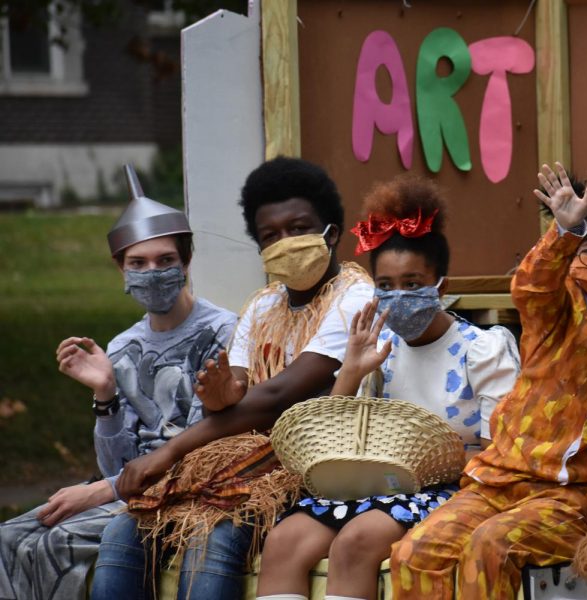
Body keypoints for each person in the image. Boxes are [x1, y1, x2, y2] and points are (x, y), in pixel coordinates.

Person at [390, 162, 587, 599]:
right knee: (414, 554)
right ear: (573, 262)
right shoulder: (555, 309)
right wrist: (565, 233)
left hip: (574, 497)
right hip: (500, 482)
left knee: (491, 547)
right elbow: (531, 284)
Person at [91, 157, 373, 600]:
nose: (285, 242)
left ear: (331, 234)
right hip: (240, 460)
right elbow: (238, 395)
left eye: (298, 228)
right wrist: (222, 396)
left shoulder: (355, 297)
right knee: (125, 530)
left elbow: (275, 396)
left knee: (214, 535)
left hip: (306, 467)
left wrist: (169, 452)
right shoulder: (262, 306)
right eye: (270, 236)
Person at [254, 175, 521, 600]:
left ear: (442, 287)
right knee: (283, 541)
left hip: (455, 490)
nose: (398, 296)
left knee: (356, 542)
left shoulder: (483, 351)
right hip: (375, 486)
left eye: (413, 285)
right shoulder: (379, 350)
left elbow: (501, 453)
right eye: (386, 286)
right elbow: (332, 441)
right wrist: (352, 373)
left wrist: (436, 464)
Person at [0, 165, 237, 600]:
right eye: (138, 263)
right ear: (120, 269)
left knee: (56, 540)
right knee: (12, 539)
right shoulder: (123, 347)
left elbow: (206, 451)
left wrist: (95, 493)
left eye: (166, 260)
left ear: (186, 261)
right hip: (128, 490)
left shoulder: (224, 332)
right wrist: (105, 394)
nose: (153, 272)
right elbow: (116, 465)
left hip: (191, 491)